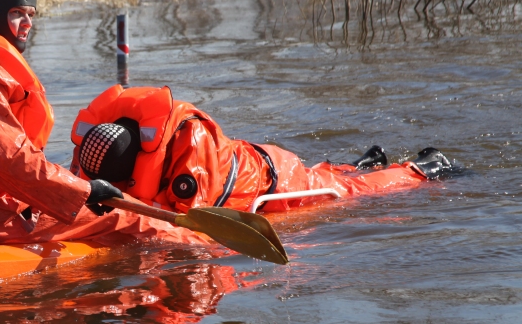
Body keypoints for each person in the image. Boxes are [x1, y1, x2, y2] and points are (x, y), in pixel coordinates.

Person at [0, 0, 203, 246]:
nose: (27, 23)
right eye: (16, 13)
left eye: (31, 14)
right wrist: (83, 192)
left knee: (118, 204)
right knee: (136, 222)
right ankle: (210, 254)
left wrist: (76, 188)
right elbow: (8, 158)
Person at [69, 84, 453, 214]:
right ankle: (362, 161)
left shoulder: (192, 143)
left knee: (348, 192)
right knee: (323, 176)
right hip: (254, 160)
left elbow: (189, 226)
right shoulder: (101, 144)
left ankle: (421, 170)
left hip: (274, 182)